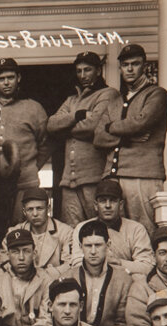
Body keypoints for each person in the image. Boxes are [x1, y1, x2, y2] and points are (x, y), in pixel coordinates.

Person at [94, 44, 167, 235]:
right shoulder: (114, 101)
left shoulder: (156, 94)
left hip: (142, 175)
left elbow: (141, 123)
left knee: (144, 229)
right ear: (119, 68)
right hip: (112, 176)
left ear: (143, 66)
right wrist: (129, 138)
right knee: (111, 232)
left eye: (135, 64)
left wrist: (111, 127)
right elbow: (98, 137)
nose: (129, 69)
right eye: (125, 65)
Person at [0, 58, 51, 223]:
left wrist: (31, 167)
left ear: (18, 77)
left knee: (24, 230)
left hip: (25, 184)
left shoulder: (34, 108)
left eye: (10, 77)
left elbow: (45, 144)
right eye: (1, 79)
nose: (6, 83)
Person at [46, 51, 120, 227]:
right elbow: (51, 125)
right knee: (73, 232)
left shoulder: (108, 94)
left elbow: (93, 126)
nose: (83, 75)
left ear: (98, 70)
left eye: (87, 70)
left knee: (99, 229)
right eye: (79, 71)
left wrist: (65, 129)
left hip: (94, 177)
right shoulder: (71, 100)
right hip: (68, 181)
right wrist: (78, 115)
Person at [67, 220, 132, 326]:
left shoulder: (123, 279)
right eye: (88, 246)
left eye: (98, 245)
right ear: (80, 246)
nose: (93, 251)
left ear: (108, 245)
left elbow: (122, 322)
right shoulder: (68, 277)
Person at [69, 178, 154, 277]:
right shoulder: (82, 228)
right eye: (103, 201)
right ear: (96, 206)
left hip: (125, 280)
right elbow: (76, 262)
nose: (108, 206)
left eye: (113, 201)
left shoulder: (136, 229)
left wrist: (118, 262)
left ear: (121, 205)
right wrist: (101, 263)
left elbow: (147, 266)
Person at [0, 229, 52, 326]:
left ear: (34, 254)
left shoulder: (46, 280)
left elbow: (46, 320)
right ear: (7, 254)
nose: (21, 257)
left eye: (26, 251)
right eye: (15, 252)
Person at [1, 187, 73, 279]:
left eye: (39, 208)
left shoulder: (65, 231)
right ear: (24, 212)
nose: (35, 214)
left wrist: (43, 275)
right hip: (22, 281)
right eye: (30, 209)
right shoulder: (14, 232)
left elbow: (69, 265)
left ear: (48, 208)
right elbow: (4, 260)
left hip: (53, 280)